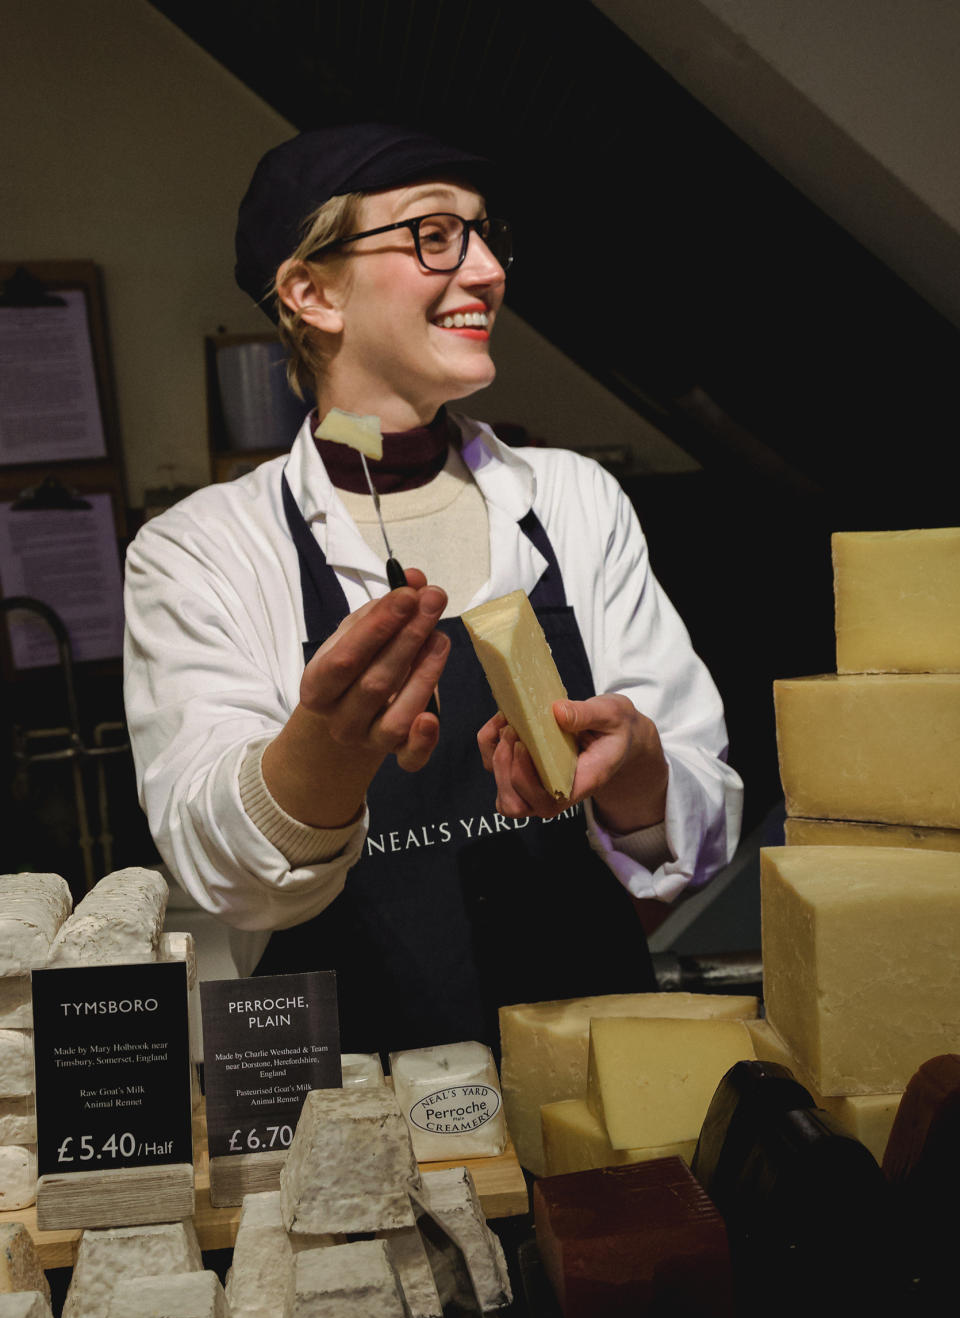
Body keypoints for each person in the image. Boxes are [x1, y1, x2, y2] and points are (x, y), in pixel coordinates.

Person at [124, 123, 742, 1056]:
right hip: (346, 1109)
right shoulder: (201, 549)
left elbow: (701, 822)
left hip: (596, 1074)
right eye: (434, 235)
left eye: (486, 234)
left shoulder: (574, 501)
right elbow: (221, 872)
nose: (488, 268)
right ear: (312, 292)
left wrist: (634, 768)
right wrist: (326, 752)